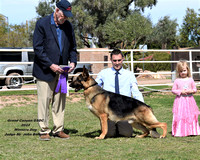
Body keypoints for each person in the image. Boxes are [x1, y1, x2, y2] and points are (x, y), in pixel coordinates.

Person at [33, 0, 77, 140]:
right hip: (45, 70)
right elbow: (38, 49)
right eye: (64, 15)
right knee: (44, 102)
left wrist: (73, 62)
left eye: (68, 16)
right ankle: (44, 131)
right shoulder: (42, 24)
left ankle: (58, 129)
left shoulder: (68, 26)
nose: (66, 18)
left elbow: (73, 48)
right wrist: (51, 65)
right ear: (57, 11)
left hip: (63, 72)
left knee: (60, 101)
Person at [95, 49, 150, 138]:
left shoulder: (129, 75)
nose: (117, 63)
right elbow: (95, 88)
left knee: (126, 134)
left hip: (124, 110)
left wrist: (142, 107)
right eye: (114, 60)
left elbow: (136, 91)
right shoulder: (103, 73)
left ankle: (119, 127)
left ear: (123, 59)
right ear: (111, 60)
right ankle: (111, 127)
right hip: (109, 110)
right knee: (109, 134)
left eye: (119, 60)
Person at [172, 60, 200, 137]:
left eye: (184, 70)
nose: (183, 72)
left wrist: (192, 91)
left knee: (190, 115)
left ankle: (192, 130)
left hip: (189, 100)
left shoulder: (190, 80)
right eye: (181, 71)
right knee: (181, 115)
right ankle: (180, 131)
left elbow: (195, 89)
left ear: (187, 70)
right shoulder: (177, 81)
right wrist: (180, 92)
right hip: (180, 101)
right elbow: (173, 90)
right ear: (178, 72)